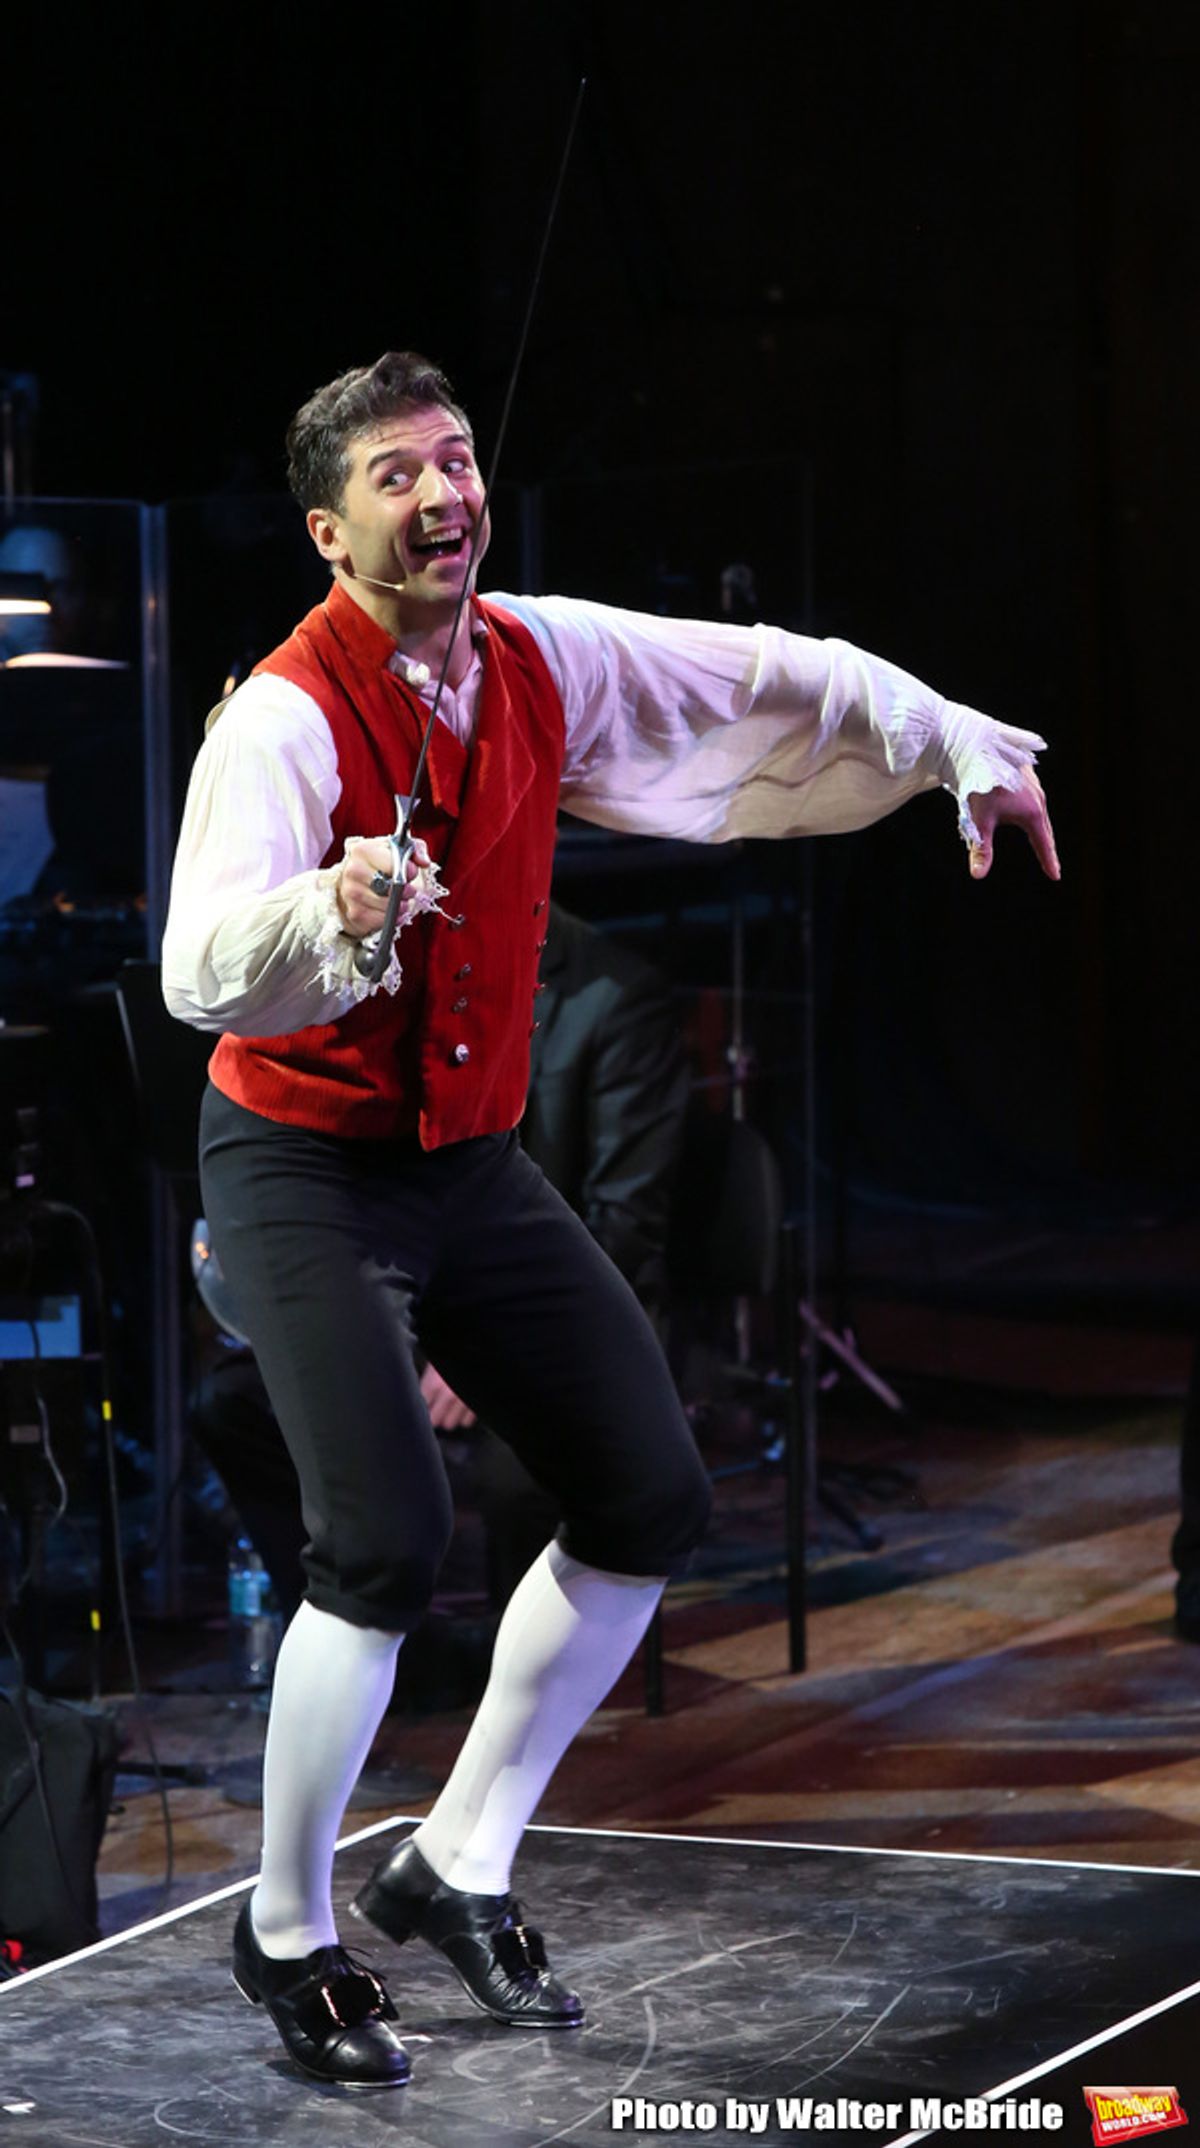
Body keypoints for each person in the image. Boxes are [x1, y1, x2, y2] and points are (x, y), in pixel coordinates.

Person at [161, 350, 1059, 2091]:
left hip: (471, 1163)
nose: (444, 497)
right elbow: (203, 969)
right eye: (398, 478)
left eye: (459, 459)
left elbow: (767, 677)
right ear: (331, 531)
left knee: (648, 1491)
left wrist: (956, 746)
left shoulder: (535, 653)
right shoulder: (280, 716)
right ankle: (285, 1931)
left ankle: (458, 1861)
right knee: (383, 1542)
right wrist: (328, 903)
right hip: (301, 1165)